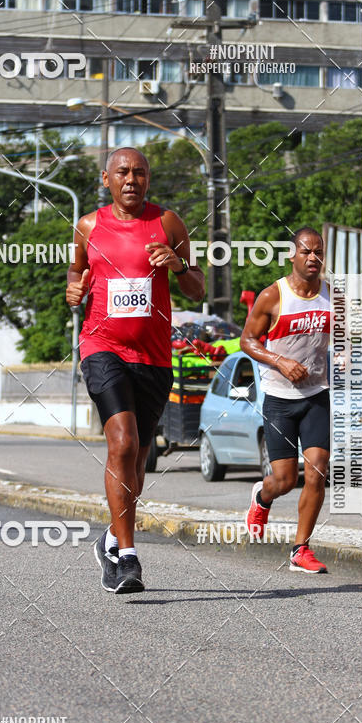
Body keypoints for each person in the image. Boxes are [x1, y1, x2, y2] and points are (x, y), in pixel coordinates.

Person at [66, 147, 205, 593]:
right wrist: (74, 292)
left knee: (139, 462)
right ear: (105, 178)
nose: (131, 179)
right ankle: (127, 557)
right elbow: (76, 275)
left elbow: (198, 289)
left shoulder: (169, 223)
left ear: (149, 179)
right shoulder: (88, 226)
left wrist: (178, 264)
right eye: (123, 172)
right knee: (122, 442)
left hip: (153, 357)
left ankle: (109, 537)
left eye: (140, 172)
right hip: (101, 346)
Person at [240, 227, 331, 573]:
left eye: (318, 252)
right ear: (292, 256)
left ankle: (300, 550)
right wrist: (280, 361)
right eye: (306, 251)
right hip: (279, 398)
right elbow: (247, 341)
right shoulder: (272, 296)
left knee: (317, 472)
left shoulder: (332, 297)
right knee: (285, 480)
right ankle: (262, 498)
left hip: (316, 395)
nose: (313, 258)